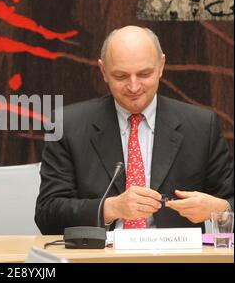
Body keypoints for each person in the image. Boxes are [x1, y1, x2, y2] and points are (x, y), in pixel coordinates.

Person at [35, 26, 234, 234]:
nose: (133, 87)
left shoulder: (201, 126)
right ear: (103, 71)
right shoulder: (68, 125)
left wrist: (219, 209)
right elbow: (47, 215)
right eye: (121, 76)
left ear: (161, 66)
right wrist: (111, 208)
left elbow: (230, 199)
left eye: (144, 74)